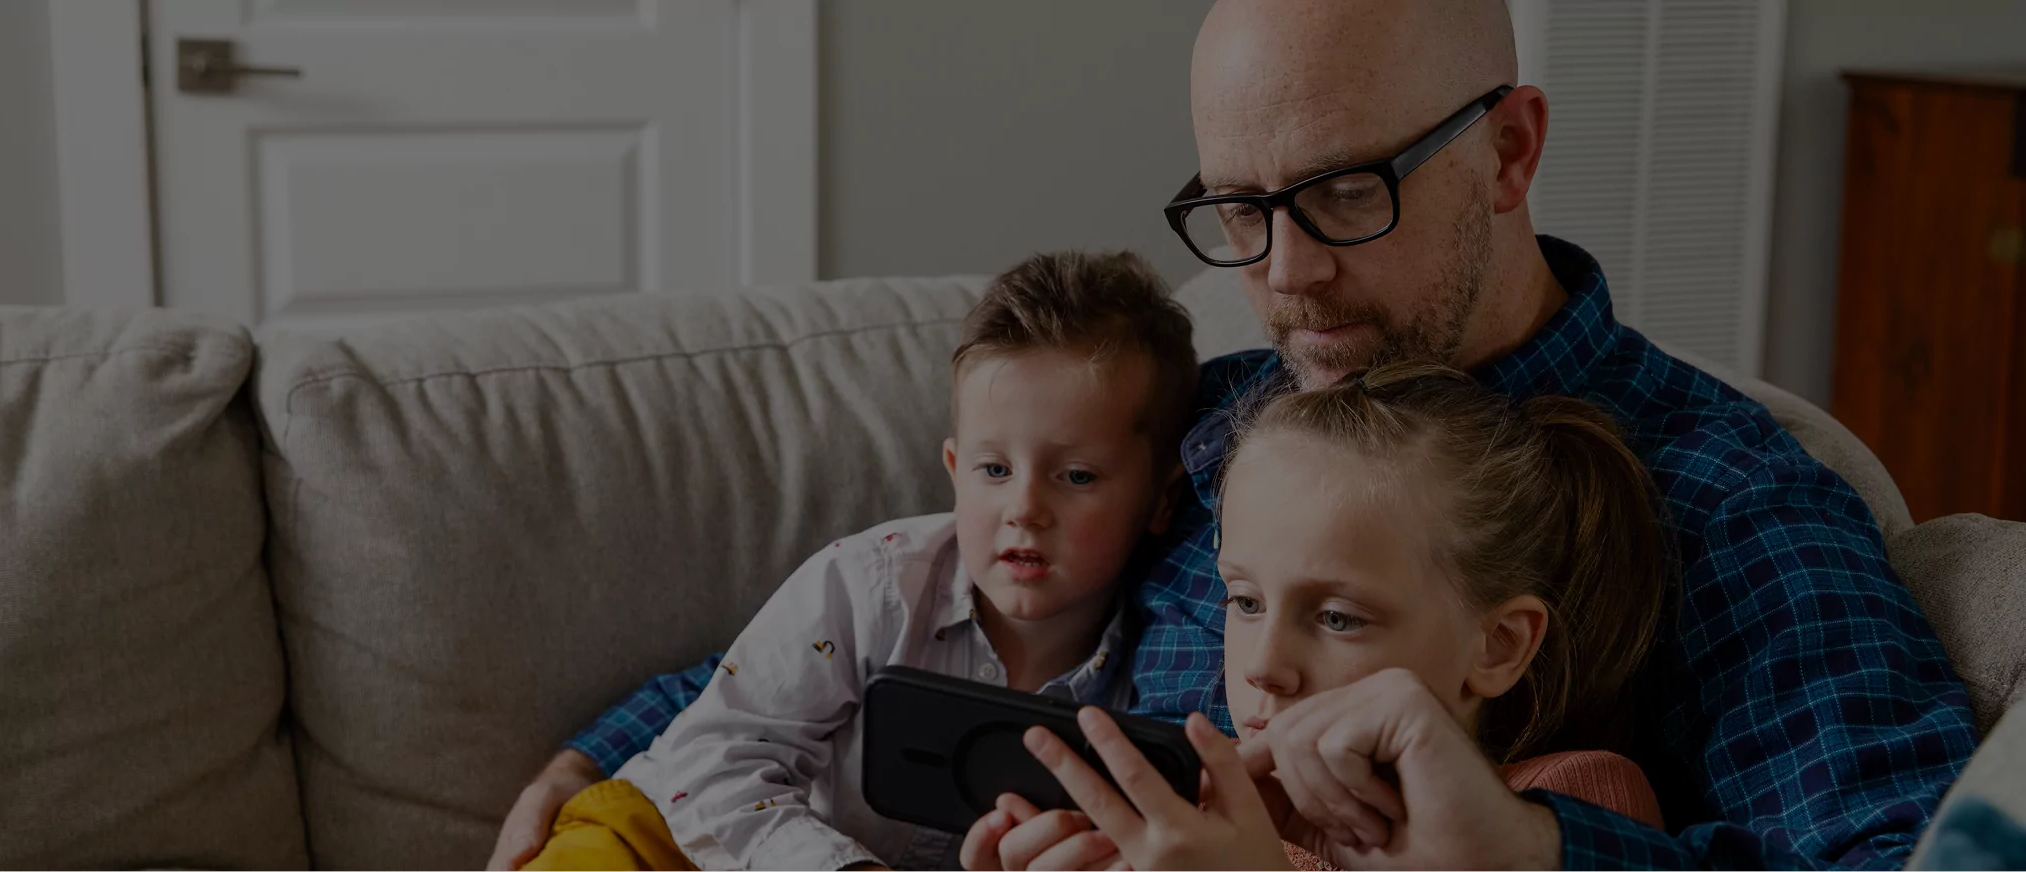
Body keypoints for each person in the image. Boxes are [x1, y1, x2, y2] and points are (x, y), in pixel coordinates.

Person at [494, 1, 1978, 869]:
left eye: (1342, 194)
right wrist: (617, 746)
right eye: (1237, 208)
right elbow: (947, 602)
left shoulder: (1723, 499)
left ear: (1512, 147)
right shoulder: (1220, 422)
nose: (1276, 276)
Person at [507, 251, 1202, 871]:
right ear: (955, 471)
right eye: (993, 469)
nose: (1024, 508)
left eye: (1077, 476)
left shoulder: (1153, 676)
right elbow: (716, 755)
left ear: (1160, 500)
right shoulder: (871, 584)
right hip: (661, 834)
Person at [964, 361, 1677, 872]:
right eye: (1244, 602)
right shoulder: (1188, 819)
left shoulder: (1564, 806)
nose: (1261, 666)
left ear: (1496, 645)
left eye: (1338, 618)